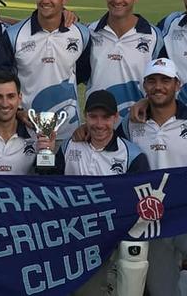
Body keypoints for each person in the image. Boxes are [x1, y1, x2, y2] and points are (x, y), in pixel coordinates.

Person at [119, 58, 187, 296]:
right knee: (164, 291)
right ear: (144, 86)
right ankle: (184, 280)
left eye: (166, 80)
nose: (159, 86)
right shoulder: (129, 123)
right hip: (150, 219)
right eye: (152, 81)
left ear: (178, 84)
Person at [54, 90, 150, 296]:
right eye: (93, 116)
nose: (99, 124)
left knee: (134, 256)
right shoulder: (69, 146)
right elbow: (49, 187)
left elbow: (140, 202)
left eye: (106, 117)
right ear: (85, 116)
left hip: (115, 230)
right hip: (75, 232)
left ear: (116, 117)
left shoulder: (131, 155)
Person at [0, 0, 91, 143]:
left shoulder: (82, 34)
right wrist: (18, 111)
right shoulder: (15, 35)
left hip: (68, 131)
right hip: (27, 129)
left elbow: (83, 71)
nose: (45, 0)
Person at [77, 0, 164, 119]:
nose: (117, 0)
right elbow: (79, 75)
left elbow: (163, 83)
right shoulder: (90, 33)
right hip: (101, 124)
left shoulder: (154, 36)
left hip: (139, 122)